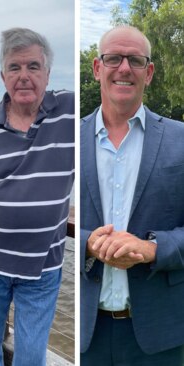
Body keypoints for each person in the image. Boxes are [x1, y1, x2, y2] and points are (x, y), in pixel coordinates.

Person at [80, 25, 184, 365]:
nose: (124, 68)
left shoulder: (180, 140)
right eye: (113, 58)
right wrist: (87, 243)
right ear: (97, 68)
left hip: (160, 340)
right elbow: (38, 222)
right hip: (86, 336)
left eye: (135, 60)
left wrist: (152, 248)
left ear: (149, 72)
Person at [0, 28, 75, 365]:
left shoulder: (71, 114)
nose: (24, 76)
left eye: (33, 66)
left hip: (43, 267)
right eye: (15, 67)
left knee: (31, 357)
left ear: (48, 73)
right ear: (3, 76)